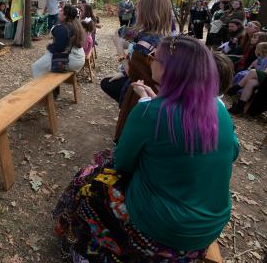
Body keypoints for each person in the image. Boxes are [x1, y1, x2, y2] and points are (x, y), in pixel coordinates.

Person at [54, 36, 239, 263]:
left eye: (154, 58)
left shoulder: (150, 111)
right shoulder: (217, 106)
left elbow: (122, 163)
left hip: (162, 226)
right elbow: (233, 151)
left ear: (171, 69)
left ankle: (82, 247)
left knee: (88, 182)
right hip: (210, 226)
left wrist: (146, 105)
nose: (149, 62)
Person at [101, 0, 172, 140]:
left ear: (147, 13)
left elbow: (132, 74)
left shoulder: (144, 44)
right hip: (160, 92)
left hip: (141, 93)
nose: (136, 12)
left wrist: (119, 48)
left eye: (139, 9)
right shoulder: (166, 38)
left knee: (131, 132)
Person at [31, 4, 86, 78]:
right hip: (78, 58)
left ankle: (41, 88)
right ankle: (50, 86)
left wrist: (49, 46)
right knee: (46, 60)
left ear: (66, 15)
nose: (59, 11)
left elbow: (59, 48)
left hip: (71, 59)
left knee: (37, 66)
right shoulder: (75, 23)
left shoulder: (63, 28)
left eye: (61, 10)